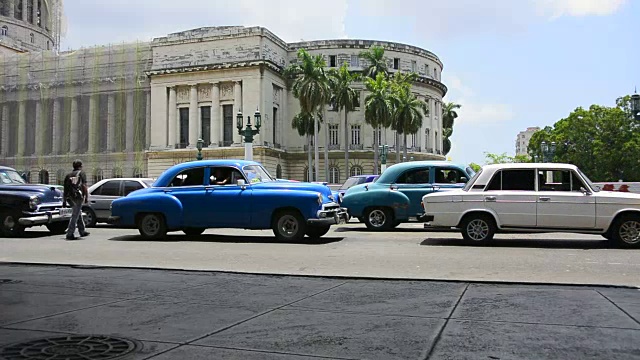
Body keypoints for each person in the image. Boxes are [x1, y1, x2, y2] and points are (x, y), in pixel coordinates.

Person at [63, 159, 90, 240]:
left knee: (78, 212)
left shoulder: (68, 175)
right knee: (75, 215)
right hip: (77, 197)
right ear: (80, 166)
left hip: (69, 197)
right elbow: (84, 186)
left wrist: (64, 200)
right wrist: (86, 197)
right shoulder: (81, 173)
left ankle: (82, 231)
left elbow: (65, 189)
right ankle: (70, 233)